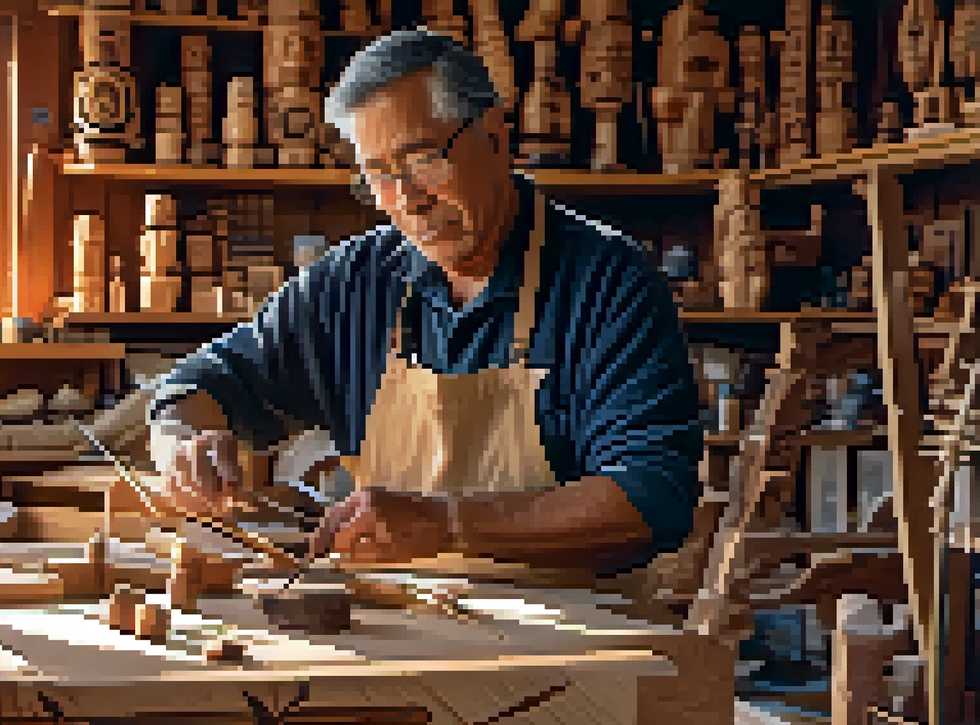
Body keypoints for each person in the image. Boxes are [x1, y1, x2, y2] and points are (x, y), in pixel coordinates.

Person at [148, 29, 702, 577]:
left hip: (580, 643)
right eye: (381, 177)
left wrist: (450, 523)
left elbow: (652, 496)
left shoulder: (609, 283)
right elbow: (197, 383)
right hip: (401, 630)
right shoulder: (354, 285)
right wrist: (182, 448)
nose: (408, 200)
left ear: (494, 137)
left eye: (423, 160)